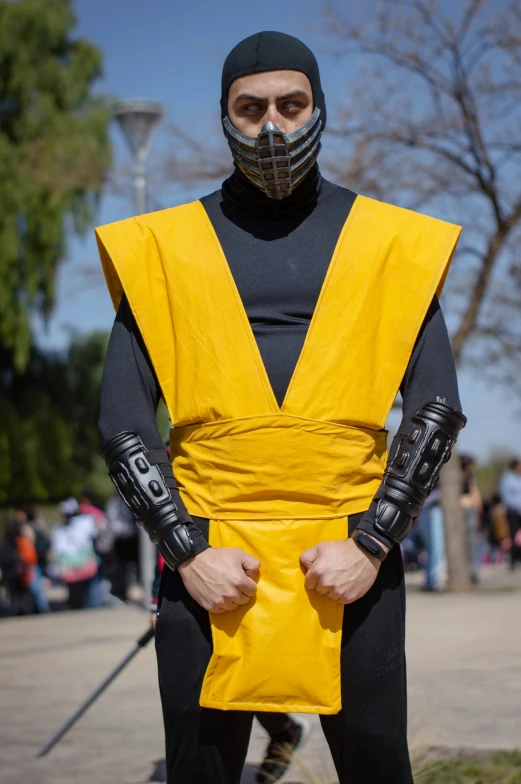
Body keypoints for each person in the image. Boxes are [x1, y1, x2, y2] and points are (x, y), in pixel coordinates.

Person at [96, 31, 466, 784]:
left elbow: (434, 406)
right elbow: (124, 419)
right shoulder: (162, 247)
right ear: (223, 117)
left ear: (318, 109)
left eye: (291, 105)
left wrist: (370, 543)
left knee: (376, 768)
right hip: (207, 562)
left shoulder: (392, 242)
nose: (272, 125)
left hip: (351, 560)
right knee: (198, 771)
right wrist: (185, 549)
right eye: (250, 106)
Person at [51, 497, 102, 610]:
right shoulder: (62, 529)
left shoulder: (84, 522)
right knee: (79, 594)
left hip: (84, 564)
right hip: (73, 566)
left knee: (87, 594)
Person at [460, 455, 483, 583]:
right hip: (462, 509)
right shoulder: (457, 477)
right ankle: (468, 570)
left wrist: (477, 506)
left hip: (470, 509)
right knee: (464, 542)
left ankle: (473, 571)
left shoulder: (470, 476)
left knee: (471, 541)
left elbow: (475, 492)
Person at [500, 459, 521, 569]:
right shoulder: (507, 479)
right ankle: (514, 560)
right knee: (514, 536)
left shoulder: (518, 478)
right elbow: (507, 498)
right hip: (513, 512)